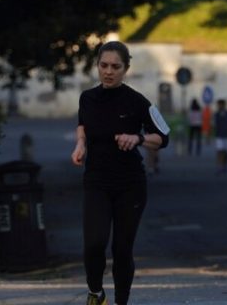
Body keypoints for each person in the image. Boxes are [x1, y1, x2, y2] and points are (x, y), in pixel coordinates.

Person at [71, 41, 170, 305]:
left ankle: (121, 302)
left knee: (122, 249)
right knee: (94, 244)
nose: (109, 71)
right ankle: (95, 292)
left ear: (126, 69)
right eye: (104, 65)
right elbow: (83, 126)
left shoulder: (137, 102)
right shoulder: (87, 98)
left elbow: (163, 136)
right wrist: (80, 144)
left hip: (130, 184)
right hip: (96, 181)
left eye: (116, 66)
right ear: (97, 66)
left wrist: (137, 139)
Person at [213, 98, 227, 174]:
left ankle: (224, 165)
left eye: (221, 104)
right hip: (219, 135)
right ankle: (220, 166)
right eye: (219, 105)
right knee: (219, 151)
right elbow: (213, 125)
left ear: (224, 105)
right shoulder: (216, 115)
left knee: (226, 151)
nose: (220, 106)